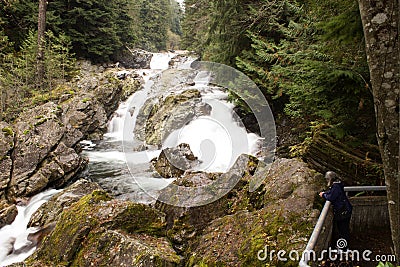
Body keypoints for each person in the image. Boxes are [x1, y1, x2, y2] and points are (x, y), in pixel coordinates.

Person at [319, 171, 352, 250]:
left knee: (343, 230)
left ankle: (343, 248)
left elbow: (331, 197)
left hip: (343, 211)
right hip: (345, 210)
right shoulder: (338, 185)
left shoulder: (336, 186)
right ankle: (343, 246)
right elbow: (331, 193)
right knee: (343, 229)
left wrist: (323, 195)